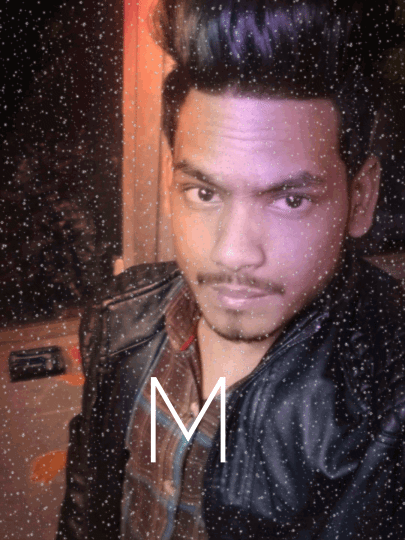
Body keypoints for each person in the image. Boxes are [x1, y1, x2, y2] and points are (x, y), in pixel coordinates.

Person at [57, 0, 405, 538]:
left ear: (360, 197)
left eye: (291, 200)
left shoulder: (388, 407)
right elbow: (86, 515)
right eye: (204, 192)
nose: (234, 253)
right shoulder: (119, 318)